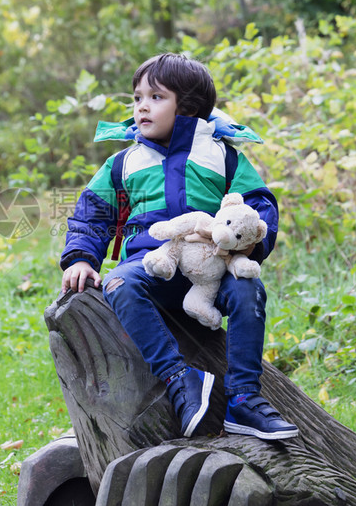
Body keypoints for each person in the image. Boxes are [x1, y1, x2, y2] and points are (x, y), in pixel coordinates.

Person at [59, 53, 298, 440]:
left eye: (155, 97)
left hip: (215, 266)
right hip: (153, 265)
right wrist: (83, 257)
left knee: (248, 289)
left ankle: (243, 400)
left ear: (185, 105)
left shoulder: (222, 155)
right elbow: (93, 212)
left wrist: (253, 242)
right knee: (121, 283)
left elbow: (259, 204)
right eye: (137, 98)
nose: (141, 106)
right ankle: (180, 379)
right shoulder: (125, 162)